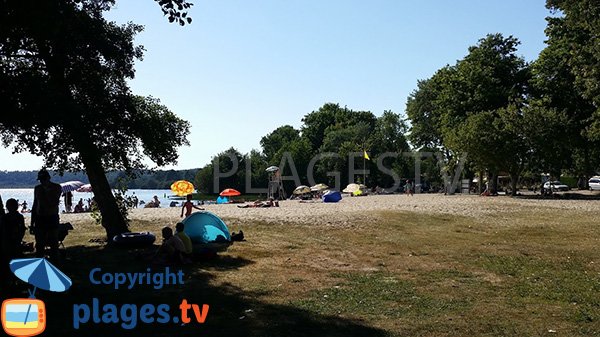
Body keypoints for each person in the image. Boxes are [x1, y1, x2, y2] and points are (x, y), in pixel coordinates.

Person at [30, 168, 62, 260]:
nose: (42, 182)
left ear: (48, 178)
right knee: (39, 244)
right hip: (40, 218)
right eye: (41, 180)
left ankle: (55, 262)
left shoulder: (56, 187)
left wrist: (46, 192)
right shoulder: (37, 188)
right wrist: (32, 223)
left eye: (43, 179)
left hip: (52, 218)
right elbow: (35, 205)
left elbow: (53, 203)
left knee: (53, 243)